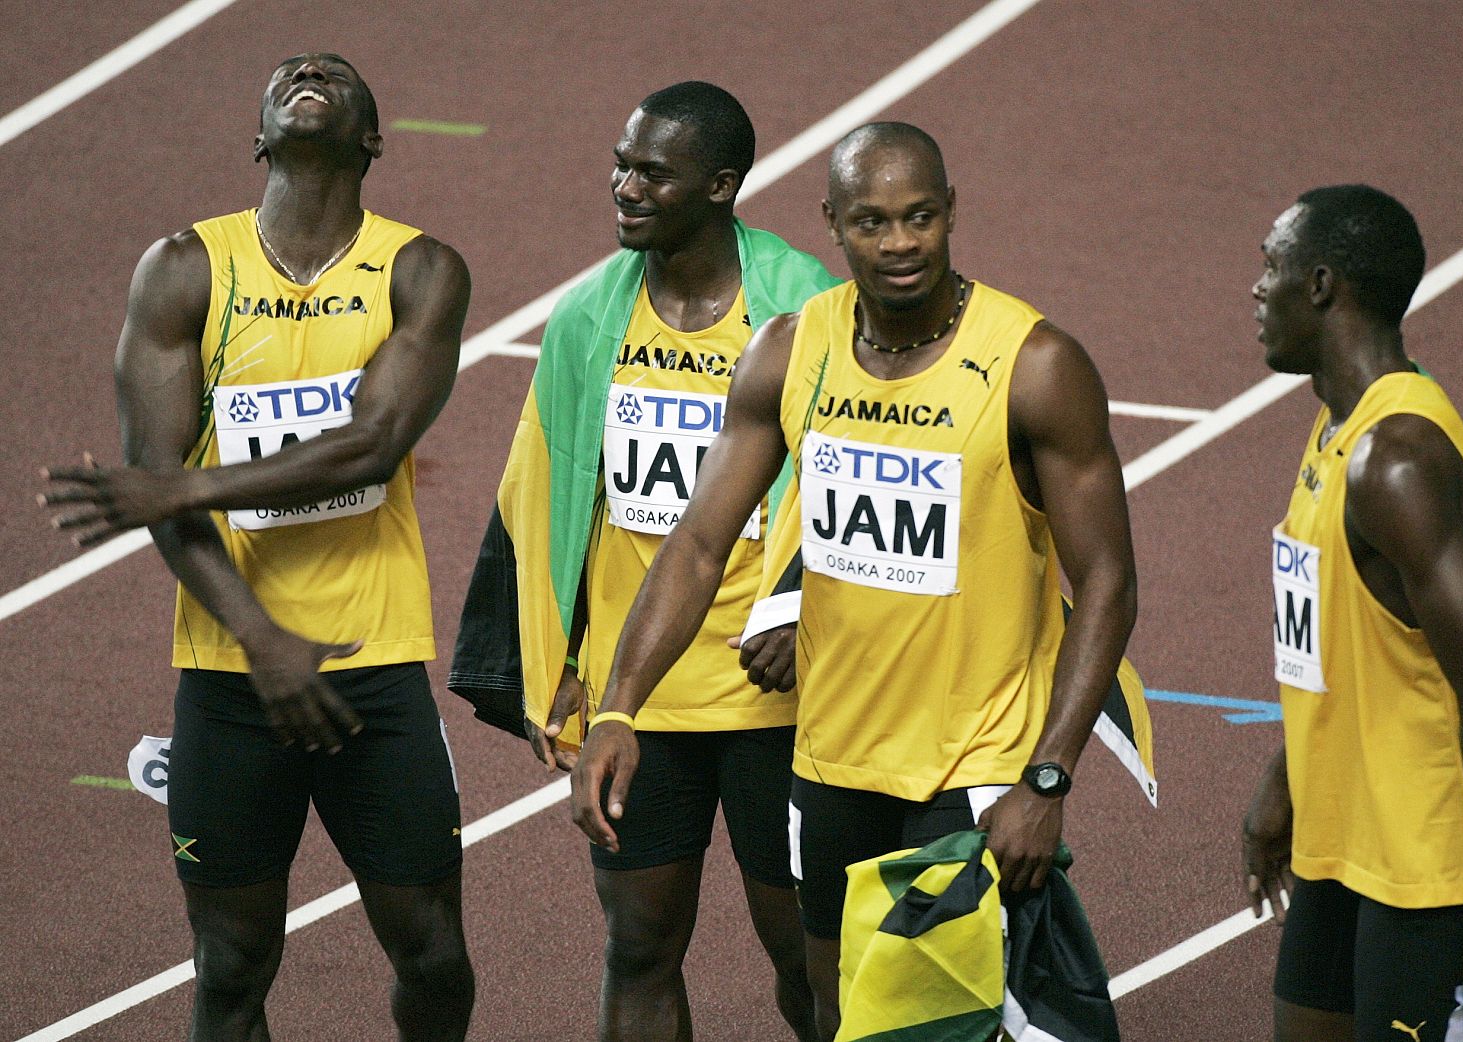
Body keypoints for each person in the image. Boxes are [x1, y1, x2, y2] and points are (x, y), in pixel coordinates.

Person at [570, 121, 1139, 1038]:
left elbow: (1108, 582)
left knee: (943, 1024)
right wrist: (618, 706)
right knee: (843, 1015)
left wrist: (1048, 775)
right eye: (872, 222)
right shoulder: (793, 350)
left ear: (952, 213)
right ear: (833, 224)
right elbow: (698, 544)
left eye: (920, 217)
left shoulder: (1035, 365)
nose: (901, 242)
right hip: (831, 759)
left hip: (971, 767)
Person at [40, 54, 474, 1042]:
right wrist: (260, 640)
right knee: (231, 963)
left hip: (373, 668)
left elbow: (370, 443)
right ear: (259, 138)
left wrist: (183, 481)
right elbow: (155, 484)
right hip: (231, 676)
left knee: (434, 950)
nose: (309, 70)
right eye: (287, 73)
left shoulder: (420, 270)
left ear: (370, 138)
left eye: (334, 72)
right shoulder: (186, 267)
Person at [450, 82, 835, 1041]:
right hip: (642, 692)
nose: (623, 186)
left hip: (774, 697)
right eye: (620, 165)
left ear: (721, 185)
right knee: (638, 947)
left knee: (809, 954)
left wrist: (804, 612)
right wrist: (559, 670)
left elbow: (853, 488)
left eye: (651, 173)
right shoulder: (587, 318)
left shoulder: (805, 310)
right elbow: (540, 503)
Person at [1243, 184, 1463, 1042]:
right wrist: (1287, 782)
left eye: (1269, 266)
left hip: (1430, 864)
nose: (1254, 288)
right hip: (1351, 834)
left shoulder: (1397, 461)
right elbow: (1351, 644)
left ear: (1320, 286)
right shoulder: (1339, 425)